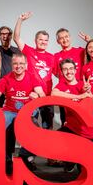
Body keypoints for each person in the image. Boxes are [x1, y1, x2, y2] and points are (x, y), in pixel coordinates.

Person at [0, 53, 45, 173]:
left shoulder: (32, 77)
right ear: (11, 65)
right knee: (3, 125)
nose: (18, 66)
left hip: (27, 112)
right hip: (10, 111)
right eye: (15, 63)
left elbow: (42, 95)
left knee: (36, 131)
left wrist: (37, 96)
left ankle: (26, 157)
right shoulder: (6, 78)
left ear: (26, 65)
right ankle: (7, 159)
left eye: (21, 63)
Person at [13, 11, 55, 167]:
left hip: (48, 98)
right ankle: (28, 158)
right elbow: (16, 38)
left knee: (48, 128)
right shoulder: (29, 52)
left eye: (45, 40)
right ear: (35, 40)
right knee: (32, 127)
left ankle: (50, 156)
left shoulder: (52, 57)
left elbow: (64, 73)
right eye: (40, 39)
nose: (43, 42)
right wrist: (20, 19)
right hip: (33, 97)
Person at [51, 58, 93, 172]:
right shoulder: (61, 86)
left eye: (70, 68)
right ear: (61, 72)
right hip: (72, 129)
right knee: (53, 138)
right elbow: (53, 93)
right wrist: (79, 96)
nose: (68, 72)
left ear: (75, 70)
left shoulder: (85, 85)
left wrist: (89, 94)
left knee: (85, 170)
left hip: (87, 133)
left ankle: (77, 161)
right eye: (65, 69)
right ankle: (70, 160)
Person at [0, 13, 21, 107]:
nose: (4, 36)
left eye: (7, 34)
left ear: (10, 36)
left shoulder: (17, 51)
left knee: (13, 113)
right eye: (2, 34)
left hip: (14, 87)